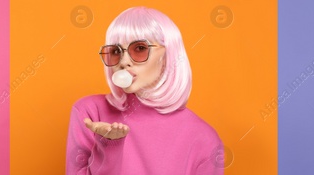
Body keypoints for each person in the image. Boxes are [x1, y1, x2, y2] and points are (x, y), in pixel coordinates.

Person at [65, 6, 225, 175]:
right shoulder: (89, 113)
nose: (124, 61)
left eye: (140, 48)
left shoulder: (203, 138)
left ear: (167, 55)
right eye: (116, 51)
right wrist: (109, 146)